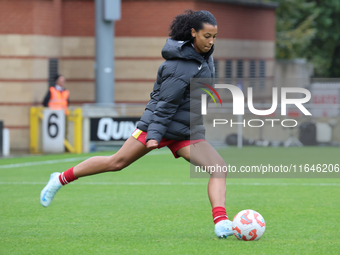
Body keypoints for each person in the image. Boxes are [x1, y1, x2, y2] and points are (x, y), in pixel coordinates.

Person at [40, 10, 233, 239]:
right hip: (158, 126)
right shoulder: (180, 66)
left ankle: (221, 222)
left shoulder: (204, 57)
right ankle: (60, 178)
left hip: (184, 131)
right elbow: (164, 105)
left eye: (214, 37)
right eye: (207, 36)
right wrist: (153, 135)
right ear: (193, 33)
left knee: (218, 168)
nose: (211, 42)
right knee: (116, 162)